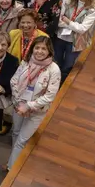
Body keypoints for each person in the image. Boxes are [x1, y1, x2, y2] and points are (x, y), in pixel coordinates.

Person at [7, 36, 60, 170]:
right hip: (19, 106)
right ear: (32, 48)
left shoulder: (54, 69)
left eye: (44, 48)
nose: (40, 51)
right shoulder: (26, 62)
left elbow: (49, 96)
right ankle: (13, 161)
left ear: (49, 51)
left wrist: (28, 106)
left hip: (37, 111)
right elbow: (14, 81)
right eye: (37, 48)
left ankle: (11, 169)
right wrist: (19, 103)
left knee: (21, 140)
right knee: (15, 133)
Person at [54, 0, 95, 81]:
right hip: (61, 36)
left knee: (67, 66)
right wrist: (73, 25)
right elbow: (59, 20)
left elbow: (82, 29)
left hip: (76, 41)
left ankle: (62, 85)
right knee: (56, 62)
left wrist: (68, 21)